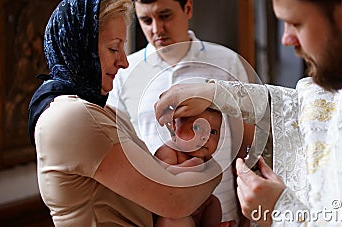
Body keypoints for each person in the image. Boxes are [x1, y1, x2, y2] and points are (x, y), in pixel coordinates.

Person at [154, 0, 342, 226]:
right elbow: (308, 110)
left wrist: (282, 212)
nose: (286, 39)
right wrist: (215, 93)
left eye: (296, 24)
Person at [27, 0, 223, 226]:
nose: (123, 62)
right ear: (82, 48)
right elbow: (175, 200)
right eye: (113, 48)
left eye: (123, 47)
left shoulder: (104, 111)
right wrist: (211, 166)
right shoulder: (72, 116)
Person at [107, 0, 255, 225]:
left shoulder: (228, 62)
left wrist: (247, 216)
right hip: (161, 218)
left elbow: (246, 143)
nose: (156, 29)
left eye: (165, 16)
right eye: (146, 20)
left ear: (188, 8)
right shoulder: (123, 74)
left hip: (223, 214)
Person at [155, 108, 223, 226]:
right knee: (172, 221)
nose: (205, 137)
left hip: (195, 208)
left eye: (213, 132)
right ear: (174, 126)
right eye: (196, 128)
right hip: (172, 213)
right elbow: (161, 178)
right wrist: (191, 165)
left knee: (213, 203)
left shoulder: (207, 158)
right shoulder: (169, 151)